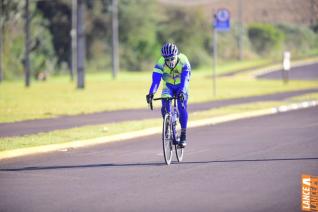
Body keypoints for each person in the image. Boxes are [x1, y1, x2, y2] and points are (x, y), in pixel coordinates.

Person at [146, 43, 191, 148]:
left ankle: (183, 135)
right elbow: (156, 81)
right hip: (168, 86)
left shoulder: (183, 60)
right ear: (163, 58)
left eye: (172, 58)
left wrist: (182, 91)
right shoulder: (160, 63)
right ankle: (170, 128)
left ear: (176, 55)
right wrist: (151, 93)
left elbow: (185, 80)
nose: (170, 61)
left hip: (181, 85)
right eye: (167, 59)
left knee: (181, 106)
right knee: (165, 104)